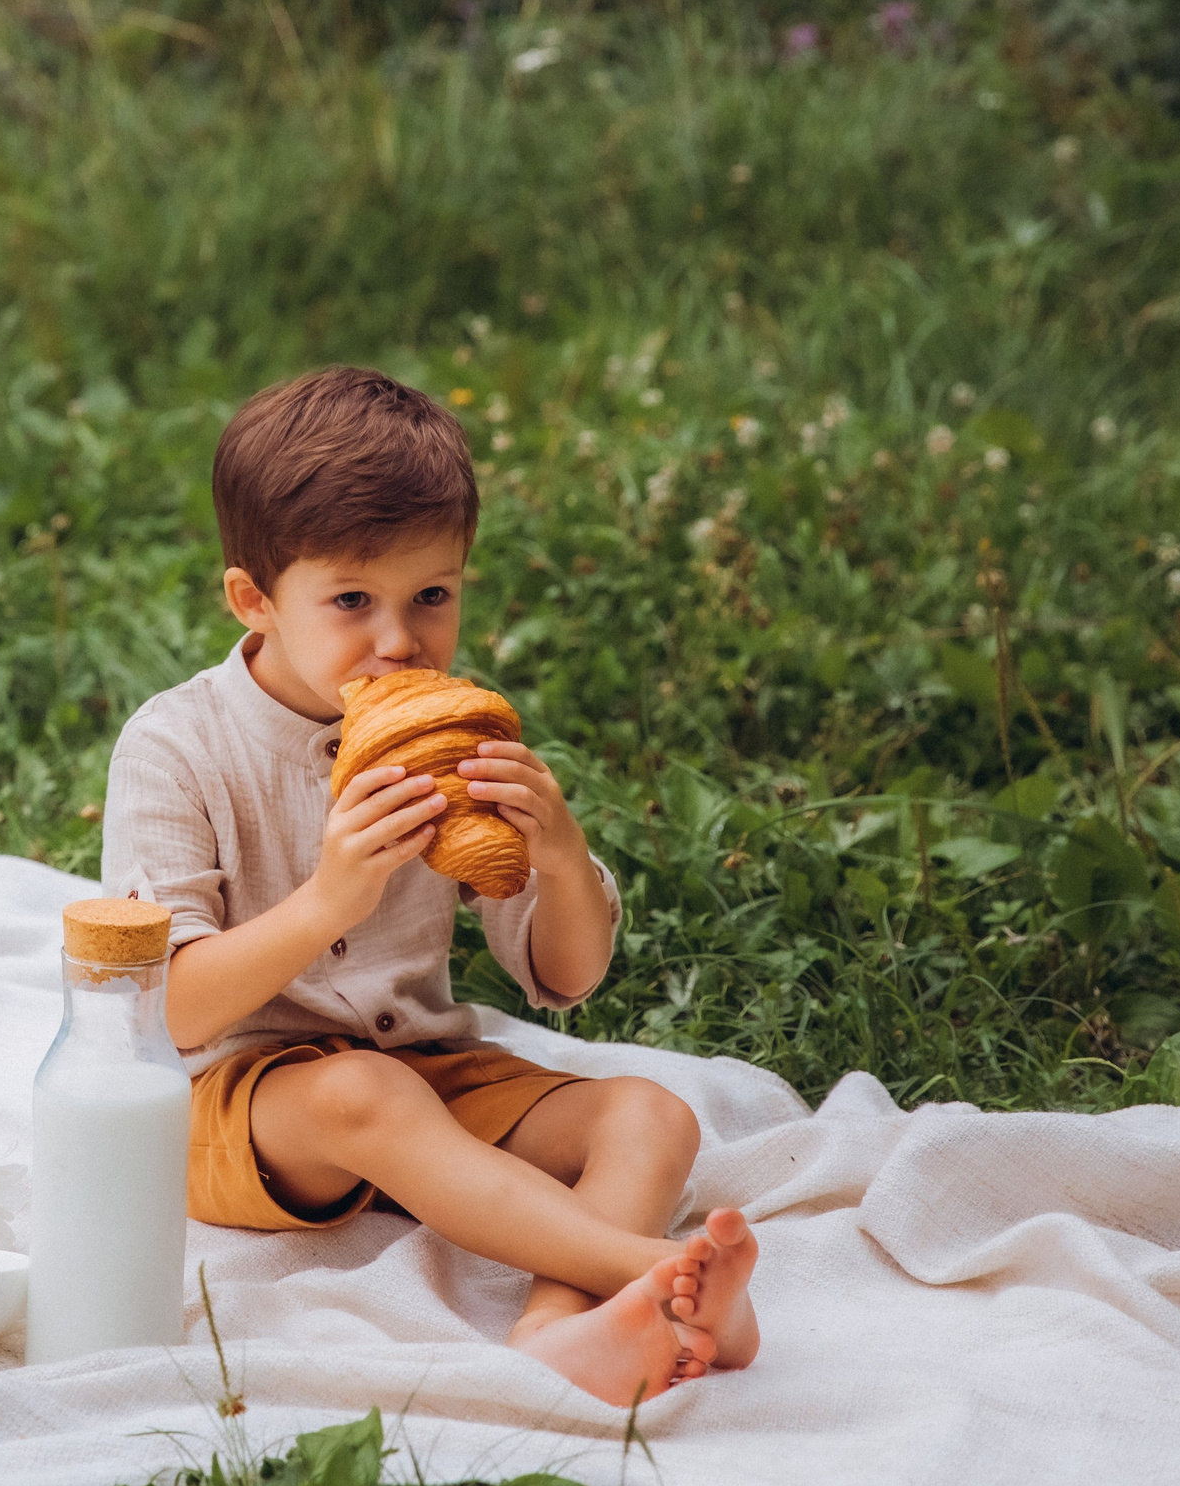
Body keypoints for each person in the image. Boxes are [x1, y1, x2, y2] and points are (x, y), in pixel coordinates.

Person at [101, 365, 757, 1404]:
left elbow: (564, 978)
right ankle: (644, 1273)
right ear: (253, 600)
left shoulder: (453, 741)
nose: (399, 640)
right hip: (235, 1104)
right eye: (352, 602)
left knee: (651, 1115)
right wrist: (327, 901)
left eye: (432, 597)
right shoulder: (177, 747)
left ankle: (556, 1329)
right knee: (366, 1092)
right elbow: (162, 1011)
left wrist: (557, 857)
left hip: (422, 1067)